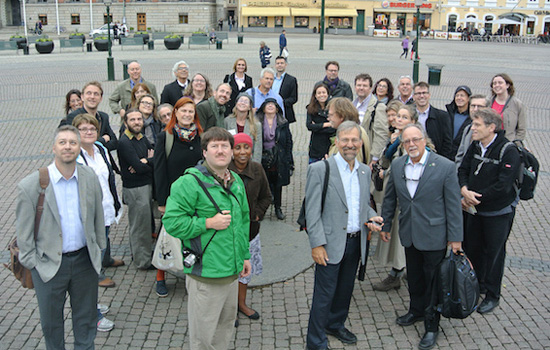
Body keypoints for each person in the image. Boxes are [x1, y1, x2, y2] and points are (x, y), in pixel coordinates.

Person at [16, 125, 106, 350]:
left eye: (72, 142)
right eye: (62, 142)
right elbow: (24, 234)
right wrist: (34, 264)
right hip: (48, 266)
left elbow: (97, 216)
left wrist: (98, 248)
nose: (68, 146)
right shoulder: (31, 185)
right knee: (52, 324)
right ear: (53, 147)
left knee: (86, 322)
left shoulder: (89, 177)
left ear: (79, 147)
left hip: (84, 262)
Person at [162, 127, 251, 350]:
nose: (220, 151)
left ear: (231, 151)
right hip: (206, 276)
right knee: (203, 338)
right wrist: (207, 223)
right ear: (204, 152)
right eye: (215, 146)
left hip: (231, 274)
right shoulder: (188, 183)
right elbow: (172, 223)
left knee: (224, 329)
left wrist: (245, 256)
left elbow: (243, 222)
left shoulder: (236, 181)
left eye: (225, 146)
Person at [380, 123, 463, 350]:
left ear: (424, 140)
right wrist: (386, 225)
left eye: (415, 139)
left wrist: (456, 238)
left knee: (433, 281)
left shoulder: (444, 166)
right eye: (406, 141)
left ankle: (432, 324)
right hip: (409, 234)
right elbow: (390, 199)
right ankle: (415, 311)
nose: (411, 144)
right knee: (414, 277)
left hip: (435, 235)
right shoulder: (397, 165)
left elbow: (454, 205)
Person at [305, 121, 383, 350]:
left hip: (356, 242)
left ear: (360, 143)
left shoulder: (364, 170)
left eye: (354, 140)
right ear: (336, 142)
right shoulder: (320, 170)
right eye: (345, 140)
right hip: (330, 244)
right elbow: (312, 211)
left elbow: (360, 205)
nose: (350, 144)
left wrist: (371, 217)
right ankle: (316, 341)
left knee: (345, 290)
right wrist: (317, 244)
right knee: (324, 296)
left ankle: (335, 323)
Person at [458, 108, 521, 315]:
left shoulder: (508, 150)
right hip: (474, 211)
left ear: (491, 127)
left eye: (477, 125)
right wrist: (464, 189)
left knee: (494, 253)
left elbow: (503, 185)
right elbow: (463, 169)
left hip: (497, 213)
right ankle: (477, 288)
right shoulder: (475, 145)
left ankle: (493, 295)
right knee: (473, 249)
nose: (472, 128)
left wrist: (474, 197)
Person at [72, 114, 120, 331]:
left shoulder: (100, 150)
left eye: (92, 128)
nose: (89, 132)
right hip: (88, 221)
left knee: (96, 266)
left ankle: (91, 303)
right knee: (89, 269)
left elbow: (109, 178)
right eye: (83, 129)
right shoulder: (74, 156)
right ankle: (93, 315)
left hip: (105, 214)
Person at [154, 97, 203, 297]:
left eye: (190, 112)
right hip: (174, 197)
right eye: (183, 111)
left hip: (197, 196)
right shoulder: (165, 136)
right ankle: (160, 276)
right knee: (166, 237)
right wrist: (162, 201)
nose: (187, 115)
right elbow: (159, 170)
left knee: (193, 236)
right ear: (175, 113)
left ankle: (193, 273)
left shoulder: (200, 136)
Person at [228, 133, 271, 322]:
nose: (242, 152)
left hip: (249, 232)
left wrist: (257, 214)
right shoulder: (223, 171)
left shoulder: (257, 169)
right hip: (226, 232)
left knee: (245, 272)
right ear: (231, 151)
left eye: (246, 147)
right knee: (228, 272)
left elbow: (266, 196)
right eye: (238, 148)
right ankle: (228, 310)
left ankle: (241, 303)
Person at [372, 102, 414, 292]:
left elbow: (405, 168)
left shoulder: (409, 142)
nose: (400, 120)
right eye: (399, 117)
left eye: (405, 118)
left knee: (399, 235)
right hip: (392, 193)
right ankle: (402, 269)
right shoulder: (396, 138)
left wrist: (387, 172)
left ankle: (398, 273)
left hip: (402, 197)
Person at [117, 108, 155, 270]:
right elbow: (138, 167)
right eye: (132, 120)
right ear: (126, 123)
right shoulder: (125, 142)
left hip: (145, 185)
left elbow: (155, 154)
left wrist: (146, 161)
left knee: (145, 223)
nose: (137, 122)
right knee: (139, 226)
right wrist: (147, 162)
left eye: (139, 119)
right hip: (135, 188)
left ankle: (142, 254)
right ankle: (142, 261)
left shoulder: (141, 137)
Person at [256, 98, 293, 220]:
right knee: (263, 184)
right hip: (263, 156)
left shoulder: (283, 122)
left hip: (279, 157)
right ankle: (263, 209)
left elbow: (288, 141)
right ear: (263, 108)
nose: (271, 106)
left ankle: (278, 208)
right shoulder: (257, 122)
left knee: (278, 185)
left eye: (273, 105)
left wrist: (289, 159)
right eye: (268, 105)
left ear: (277, 109)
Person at [65, 81, 118, 151]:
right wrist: (102, 140)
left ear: (101, 98)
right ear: (82, 97)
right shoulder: (73, 117)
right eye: (89, 93)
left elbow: (114, 143)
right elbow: (76, 144)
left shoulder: (103, 117)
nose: (92, 97)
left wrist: (92, 144)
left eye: (96, 94)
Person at [353, 73, 388, 166]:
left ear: (370, 88)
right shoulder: (352, 105)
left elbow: (381, 134)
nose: (361, 88)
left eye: (365, 86)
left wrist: (374, 158)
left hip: (367, 156)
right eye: (359, 85)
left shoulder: (379, 107)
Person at [413, 82, 453, 159]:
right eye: (418, 93)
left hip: (435, 158)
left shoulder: (442, 116)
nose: (422, 96)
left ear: (429, 95)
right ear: (414, 97)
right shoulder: (409, 115)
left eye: (424, 93)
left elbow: (447, 143)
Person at [326, 97, 371, 164]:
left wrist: (329, 165)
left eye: (331, 115)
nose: (328, 118)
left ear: (341, 116)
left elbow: (351, 167)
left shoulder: (352, 135)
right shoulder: (358, 130)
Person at [224, 93, 263, 163]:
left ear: (249, 107)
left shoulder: (256, 125)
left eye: (246, 102)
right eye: (241, 100)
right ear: (236, 104)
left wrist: (255, 167)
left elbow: (258, 149)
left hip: (249, 162)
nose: (243, 103)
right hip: (230, 162)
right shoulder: (227, 121)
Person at [489, 73, 527, 142]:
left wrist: (516, 143)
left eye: (500, 83)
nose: (497, 85)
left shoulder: (517, 104)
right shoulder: (488, 102)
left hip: (508, 142)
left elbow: (521, 129)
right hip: (490, 141)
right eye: (494, 83)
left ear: (507, 85)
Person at [454, 94, 488, 169]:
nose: (475, 109)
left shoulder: (490, 132)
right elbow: (460, 155)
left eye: (479, 106)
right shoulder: (468, 129)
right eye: (473, 106)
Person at [306, 82, 335, 164]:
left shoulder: (333, 107)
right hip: (316, 146)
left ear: (328, 94)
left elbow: (334, 128)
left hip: (329, 144)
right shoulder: (310, 108)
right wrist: (326, 124)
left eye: (323, 92)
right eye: (319, 93)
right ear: (315, 95)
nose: (321, 95)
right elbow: (309, 126)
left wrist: (317, 127)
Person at [445, 85, 472, 159]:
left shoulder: (472, 117)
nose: (459, 98)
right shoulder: (448, 114)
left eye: (462, 96)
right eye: (457, 95)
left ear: (468, 99)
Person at [273, 56, 299, 124]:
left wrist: (280, 103)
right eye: (278, 63)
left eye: (282, 63)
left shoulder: (291, 80)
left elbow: (294, 98)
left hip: (284, 112)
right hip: (270, 111)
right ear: (275, 65)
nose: (280, 65)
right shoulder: (270, 79)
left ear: (285, 65)